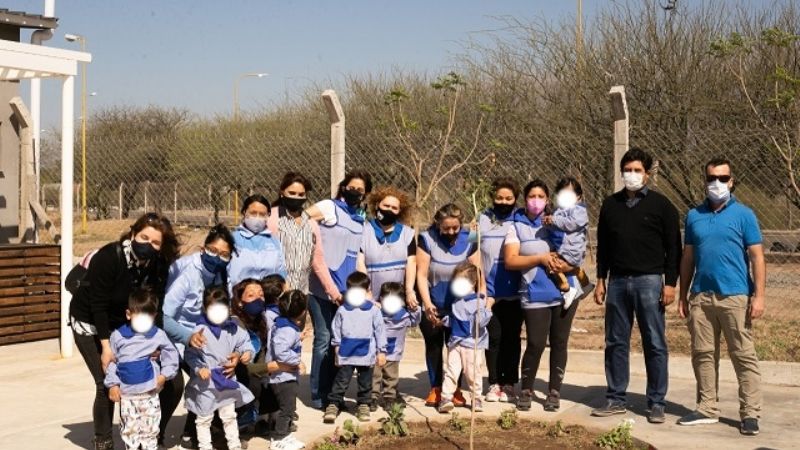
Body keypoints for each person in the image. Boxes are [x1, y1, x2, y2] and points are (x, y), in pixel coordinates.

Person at [69, 212, 180, 450]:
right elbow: (97, 305)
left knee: (172, 381)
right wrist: (106, 347)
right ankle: (103, 439)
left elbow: (154, 307)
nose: (148, 244)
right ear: (132, 234)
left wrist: (155, 343)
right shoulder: (109, 257)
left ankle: (151, 436)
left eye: (155, 242)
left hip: (126, 323)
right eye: (143, 237)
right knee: (106, 381)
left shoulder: (158, 266)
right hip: (90, 321)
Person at [591, 148, 682, 424]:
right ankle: (616, 398)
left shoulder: (662, 206)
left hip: (650, 282)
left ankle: (656, 401)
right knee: (615, 341)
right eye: (627, 170)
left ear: (647, 173)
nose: (632, 175)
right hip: (617, 282)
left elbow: (673, 249)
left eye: (637, 170)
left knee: (654, 342)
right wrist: (601, 279)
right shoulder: (610, 205)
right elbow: (603, 246)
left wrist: (670, 285)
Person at [676, 158, 765, 436]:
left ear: (732, 180)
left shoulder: (745, 215)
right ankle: (707, 408)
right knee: (702, 354)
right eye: (712, 178)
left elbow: (757, 257)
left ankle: (750, 413)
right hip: (701, 297)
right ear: (705, 180)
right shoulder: (694, 216)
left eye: (723, 178)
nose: (717, 183)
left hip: (735, 297)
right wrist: (683, 295)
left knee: (743, 355)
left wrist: (759, 296)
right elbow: (688, 257)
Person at [161, 224, 239, 450]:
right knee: (176, 385)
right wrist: (187, 336)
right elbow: (165, 317)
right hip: (177, 336)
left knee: (223, 374)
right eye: (213, 250)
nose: (218, 257)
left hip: (205, 337)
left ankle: (195, 431)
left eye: (224, 254)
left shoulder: (221, 273)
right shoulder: (186, 272)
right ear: (204, 248)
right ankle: (157, 433)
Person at [504, 180, 580, 412]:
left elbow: (577, 247)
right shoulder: (515, 225)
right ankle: (526, 389)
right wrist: (539, 259)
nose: (536, 200)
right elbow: (511, 260)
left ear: (548, 200)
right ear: (524, 199)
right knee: (535, 343)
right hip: (534, 293)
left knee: (559, 343)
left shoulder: (559, 221)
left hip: (565, 292)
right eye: (531, 196)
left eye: (541, 196)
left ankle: (554, 391)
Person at [305, 170, 373, 409]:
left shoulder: (360, 219)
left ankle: (335, 396)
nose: (355, 192)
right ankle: (318, 395)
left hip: (347, 290)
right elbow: (302, 220)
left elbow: (358, 255)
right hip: (321, 288)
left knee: (340, 340)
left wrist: (365, 288)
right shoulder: (329, 207)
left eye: (361, 190)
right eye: (351, 187)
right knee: (323, 339)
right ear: (343, 187)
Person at [417, 203, 478, 407]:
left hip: (459, 307)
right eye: (446, 228)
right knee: (434, 345)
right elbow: (422, 274)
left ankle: (455, 390)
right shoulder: (427, 238)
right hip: (434, 302)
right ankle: (435, 388)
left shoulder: (470, 237)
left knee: (457, 349)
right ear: (438, 224)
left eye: (455, 228)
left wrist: (480, 299)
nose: (451, 232)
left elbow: (477, 270)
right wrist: (427, 305)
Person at [104, 289, 180, 450]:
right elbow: (111, 362)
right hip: (127, 395)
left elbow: (171, 352)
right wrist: (112, 385)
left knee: (150, 430)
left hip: (150, 392)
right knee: (130, 431)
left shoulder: (157, 334)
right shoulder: (118, 336)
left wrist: (165, 374)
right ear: (129, 314)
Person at [184, 287, 255, 450]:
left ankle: (234, 445)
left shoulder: (234, 325)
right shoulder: (198, 330)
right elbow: (190, 354)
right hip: (206, 383)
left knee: (229, 415)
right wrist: (198, 368)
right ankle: (205, 447)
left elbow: (246, 343)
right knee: (203, 418)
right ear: (204, 308)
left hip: (226, 379)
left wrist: (244, 353)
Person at [478, 178, 523, 404]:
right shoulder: (482, 218)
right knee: (493, 337)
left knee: (512, 338)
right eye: (499, 198)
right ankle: (494, 382)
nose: (503, 202)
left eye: (508, 198)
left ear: (515, 199)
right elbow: (472, 249)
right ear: (492, 198)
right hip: (490, 292)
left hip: (515, 290)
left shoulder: (520, 218)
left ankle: (510, 382)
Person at [324, 272, 387, 423]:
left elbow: (380, 331)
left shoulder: (374, 311)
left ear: (368, 292)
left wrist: (382, 351)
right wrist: (337, 349)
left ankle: (364, 404)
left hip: (367, 355)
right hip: (346, 354)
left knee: (365, 383)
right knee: (341, 381)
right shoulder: (342, 310)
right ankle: (333, 404)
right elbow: (336, 330)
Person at [266, 172, 339, 299]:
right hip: (275, 295)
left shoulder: (311, 224)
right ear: (282, 192)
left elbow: (318, 261)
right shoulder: (271, 218)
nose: (296, 197)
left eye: (301, 194)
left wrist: (334, 293)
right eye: (292, 193)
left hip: (301, 295)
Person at [438, 262, 494, 413]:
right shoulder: (457, 302)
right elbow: (456, 319)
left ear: (473, 283)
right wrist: (444, 321)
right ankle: (446, 398)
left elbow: (481, 322)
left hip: (472, 344)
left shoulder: (479, 301)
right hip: (455, 343)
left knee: (473, 372)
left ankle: (476, 398)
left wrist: (487, 307)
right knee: (451, 370)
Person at [356, 186, 417, 306]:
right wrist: (366, 291)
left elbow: (411, 263)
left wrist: (409, 291)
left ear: (400, 211)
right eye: (386, 206)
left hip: (397, 298)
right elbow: (359, 263)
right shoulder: (364, 231)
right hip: (371, 298)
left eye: (394, 208)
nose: (389, 210)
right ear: (377, 205)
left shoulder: (407, 233)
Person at [265, 290, 309, 450]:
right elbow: (281, 351)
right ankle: (278, 438)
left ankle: (286, 435)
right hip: (283, 377)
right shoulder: (287, 329)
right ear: (303, 312)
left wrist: (298, 337)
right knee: (287, 409)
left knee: (288, 407)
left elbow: (283, 342)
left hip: (284, 376)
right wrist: (298, 362)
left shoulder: (283, 324)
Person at [543, 176, 593, 308]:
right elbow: (557, 227)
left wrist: (554, 220)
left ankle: (566, 288)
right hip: (565, 247)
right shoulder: (559, 210)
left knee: (552, 265)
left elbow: (571, 224)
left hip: (572, 249)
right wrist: (548, 222)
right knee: (573, 268)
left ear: (578, 197)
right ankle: (586, 285)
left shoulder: (579, 210)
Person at [371, 282, 421, 411]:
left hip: (394, 353)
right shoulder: (376, 313)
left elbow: (414, 321)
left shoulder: (404, 315)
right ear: (381, 299)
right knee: (374, 375)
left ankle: (390, 398)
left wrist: (414, 309)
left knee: (391, 377)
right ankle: (373, 397)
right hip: (376, 353)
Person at [229, 194, 287, 290]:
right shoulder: (232, 240)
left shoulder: (274, 242)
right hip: (238, 297)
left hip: (268, 297)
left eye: (262, 214)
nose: (257, 217)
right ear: (244, 212)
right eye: (253, 213)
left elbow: (281, 272)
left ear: (268, 215)